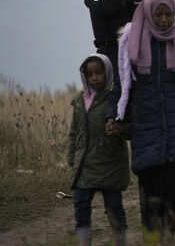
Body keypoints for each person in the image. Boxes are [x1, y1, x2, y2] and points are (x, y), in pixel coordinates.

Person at [105, 0, 175, 244]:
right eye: (159, 14)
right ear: (149, 13)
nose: (164, 20)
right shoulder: (130, 41)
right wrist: (114, 117)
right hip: (147, 129)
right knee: (153, 200)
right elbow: (122, 86)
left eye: (168, 14)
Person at [67, 53, 129, 246]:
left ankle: (121, 241)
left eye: (98, 73)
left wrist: (119, 129)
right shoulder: (79, 101)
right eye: (90, 74)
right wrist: (72, 157)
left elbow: (130, 128)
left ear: (107, 73)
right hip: (85, 165)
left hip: (110, 163)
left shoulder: (115, 100)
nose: (94, 78)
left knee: (113, 208)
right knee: (81, 206)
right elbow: (74, 131)